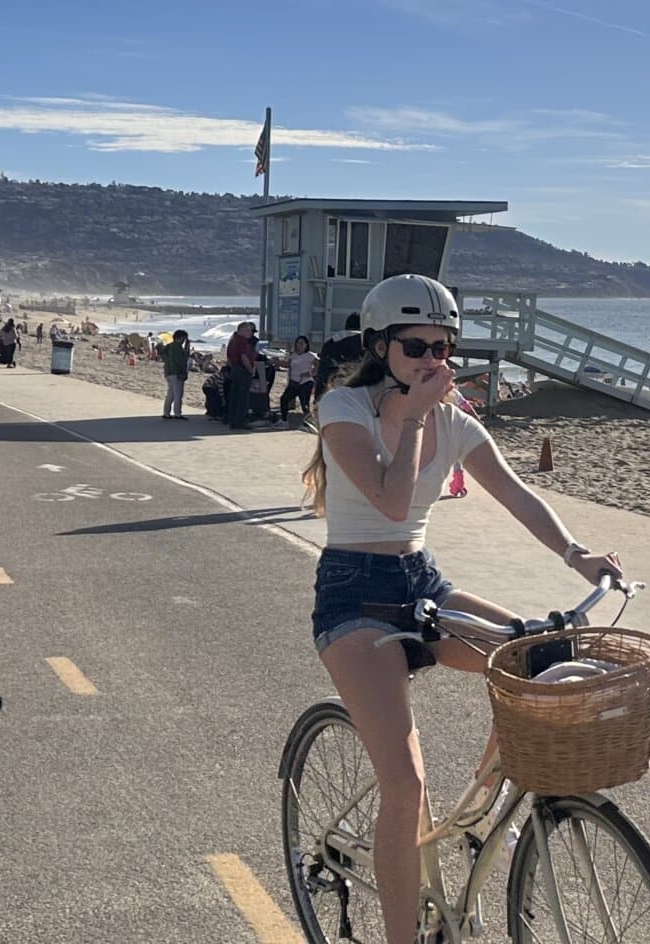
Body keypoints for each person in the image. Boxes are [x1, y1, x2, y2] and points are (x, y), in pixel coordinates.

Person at [298, 275, 623, 944]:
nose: (432, 361)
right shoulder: (344, 408)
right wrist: (414, 415)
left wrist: (578, 554)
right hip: (354, 596)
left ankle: (475, 819)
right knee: (406, 784)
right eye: (416, 347)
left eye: (443, 348)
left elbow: (517, 494)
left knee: (537, 660)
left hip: (421, 582)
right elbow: (391, 502)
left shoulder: (452, 420)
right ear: (380, 346)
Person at [225, 322, 258, 430]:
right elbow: (244, 357)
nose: (250, 333)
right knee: (242, 397)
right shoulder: (241, 341)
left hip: (235, 369)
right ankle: (240, 421)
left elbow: (229, 359)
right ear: (242, 330)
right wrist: (251, 369)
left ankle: (233, 421)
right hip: (242, 370)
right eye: (248, 331)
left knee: (235, 396)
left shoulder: (232, 340)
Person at [280, 335, 319, 424]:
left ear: (306, 345)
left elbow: (318, 364)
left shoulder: (310, 355)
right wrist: (277, 362)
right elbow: (287, 364)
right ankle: (283, 420)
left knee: (304, 403)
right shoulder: (293, 355)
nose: (299, 345)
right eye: (298, 343)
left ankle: (308, 422)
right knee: (284, 399)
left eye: (302, 343)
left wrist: (311, 373)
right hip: (294, 382)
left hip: (306, 382)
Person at [159, 328, 193, 420]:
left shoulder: (169, 346)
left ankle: (166, 413)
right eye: (183, 339)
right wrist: (181, 372)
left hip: (168, 372)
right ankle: (177, 413)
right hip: (176, 373)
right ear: (180, 338)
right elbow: (180, 361)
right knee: (178, 394)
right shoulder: (177, 348)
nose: (183, 341)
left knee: (171, 394)